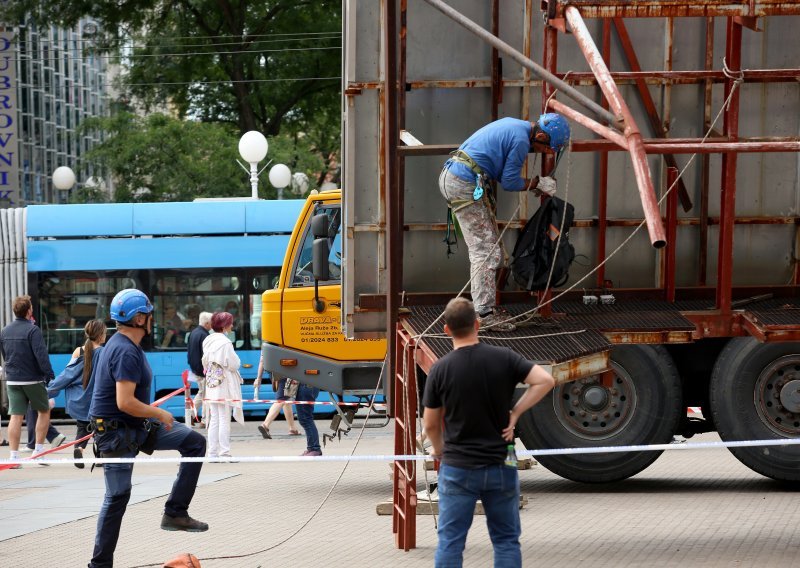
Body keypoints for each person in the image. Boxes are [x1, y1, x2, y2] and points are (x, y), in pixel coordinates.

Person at [422, 297, 556, 568]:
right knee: (506, 540)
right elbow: (545, 380)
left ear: (446, 330)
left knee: (450, 541)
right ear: (477, 324)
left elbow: (431, 425)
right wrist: (516, 412)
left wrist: (438, 450)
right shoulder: (504, 358)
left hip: (458, 465)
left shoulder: (440, 369)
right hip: (500, 461)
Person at [88, 289, 208, 568]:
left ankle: (176, 512)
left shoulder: (122, 345)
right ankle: (99, 564)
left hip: (136, 426)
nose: (153, 319)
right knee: (117, 496)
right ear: (140, 318)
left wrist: (153, 416)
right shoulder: (124, 351)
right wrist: (159, 413)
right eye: (149, 314)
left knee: (194, 442)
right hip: (116, 434)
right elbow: (125, 402)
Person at [439, 113, 571, 332]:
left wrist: (534, 184)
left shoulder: (515, 126)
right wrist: (538, 183)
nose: (542, 153)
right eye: (544, 148)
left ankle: (485, 309)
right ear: (539, 135)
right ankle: (484, 314)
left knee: (490, 250)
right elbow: (509, 182)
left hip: (458, 176)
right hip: (463, 183)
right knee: (486, 252)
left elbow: (501, 171)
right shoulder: (520, 141)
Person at [1, 295, 55, 465]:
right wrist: (48, 374)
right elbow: (41, 355)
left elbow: (5, 354)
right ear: (29, 310)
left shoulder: (4, 330)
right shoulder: (33, 330)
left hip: (13, 380)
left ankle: (14, 457)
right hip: (32, 379)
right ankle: (38, 452)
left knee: (16, 416)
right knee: (43, 411)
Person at [46, 319, 107, 469]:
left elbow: (67, 375)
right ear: (100, 335)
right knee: (101, 428)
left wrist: (47, 392)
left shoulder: (79, 351)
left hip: (80, 401)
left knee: (83, 427)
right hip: (98, 401)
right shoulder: (105, 352)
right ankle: (100, 457)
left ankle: (79, 448)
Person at [201, 311, 244, 459]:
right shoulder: (225, 343)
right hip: (224, 384)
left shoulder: (207, 340)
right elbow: (234, 364)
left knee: (213, 419)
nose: (232, 325)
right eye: (230, 323)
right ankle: (224, 452)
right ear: (225, 325)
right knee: (224, 419)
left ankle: (212, 453)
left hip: (212, 383)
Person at [256, 362, 300, 439]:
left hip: (273, 373)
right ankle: (265, 425)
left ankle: (292, 428)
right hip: (286, 372)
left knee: (286, 399)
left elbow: (262, 361)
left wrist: (259, 378)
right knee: (281, 400)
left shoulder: (265, 349)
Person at [187, 311, 212, 425]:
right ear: (206, 323)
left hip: (195, 369)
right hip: (203, 371)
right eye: (210, 323)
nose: (212, 325)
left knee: (202, 393)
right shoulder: (204, 335)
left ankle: (190, 415)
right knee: (207, 395)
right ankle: (204, 420)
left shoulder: (193, 332)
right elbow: (206, 355)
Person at [296, 382, 321, 456]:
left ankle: (315, 448)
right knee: (305, 418)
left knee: (305, 419)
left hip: (305, 384)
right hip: (308, 384)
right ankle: (311, 448)